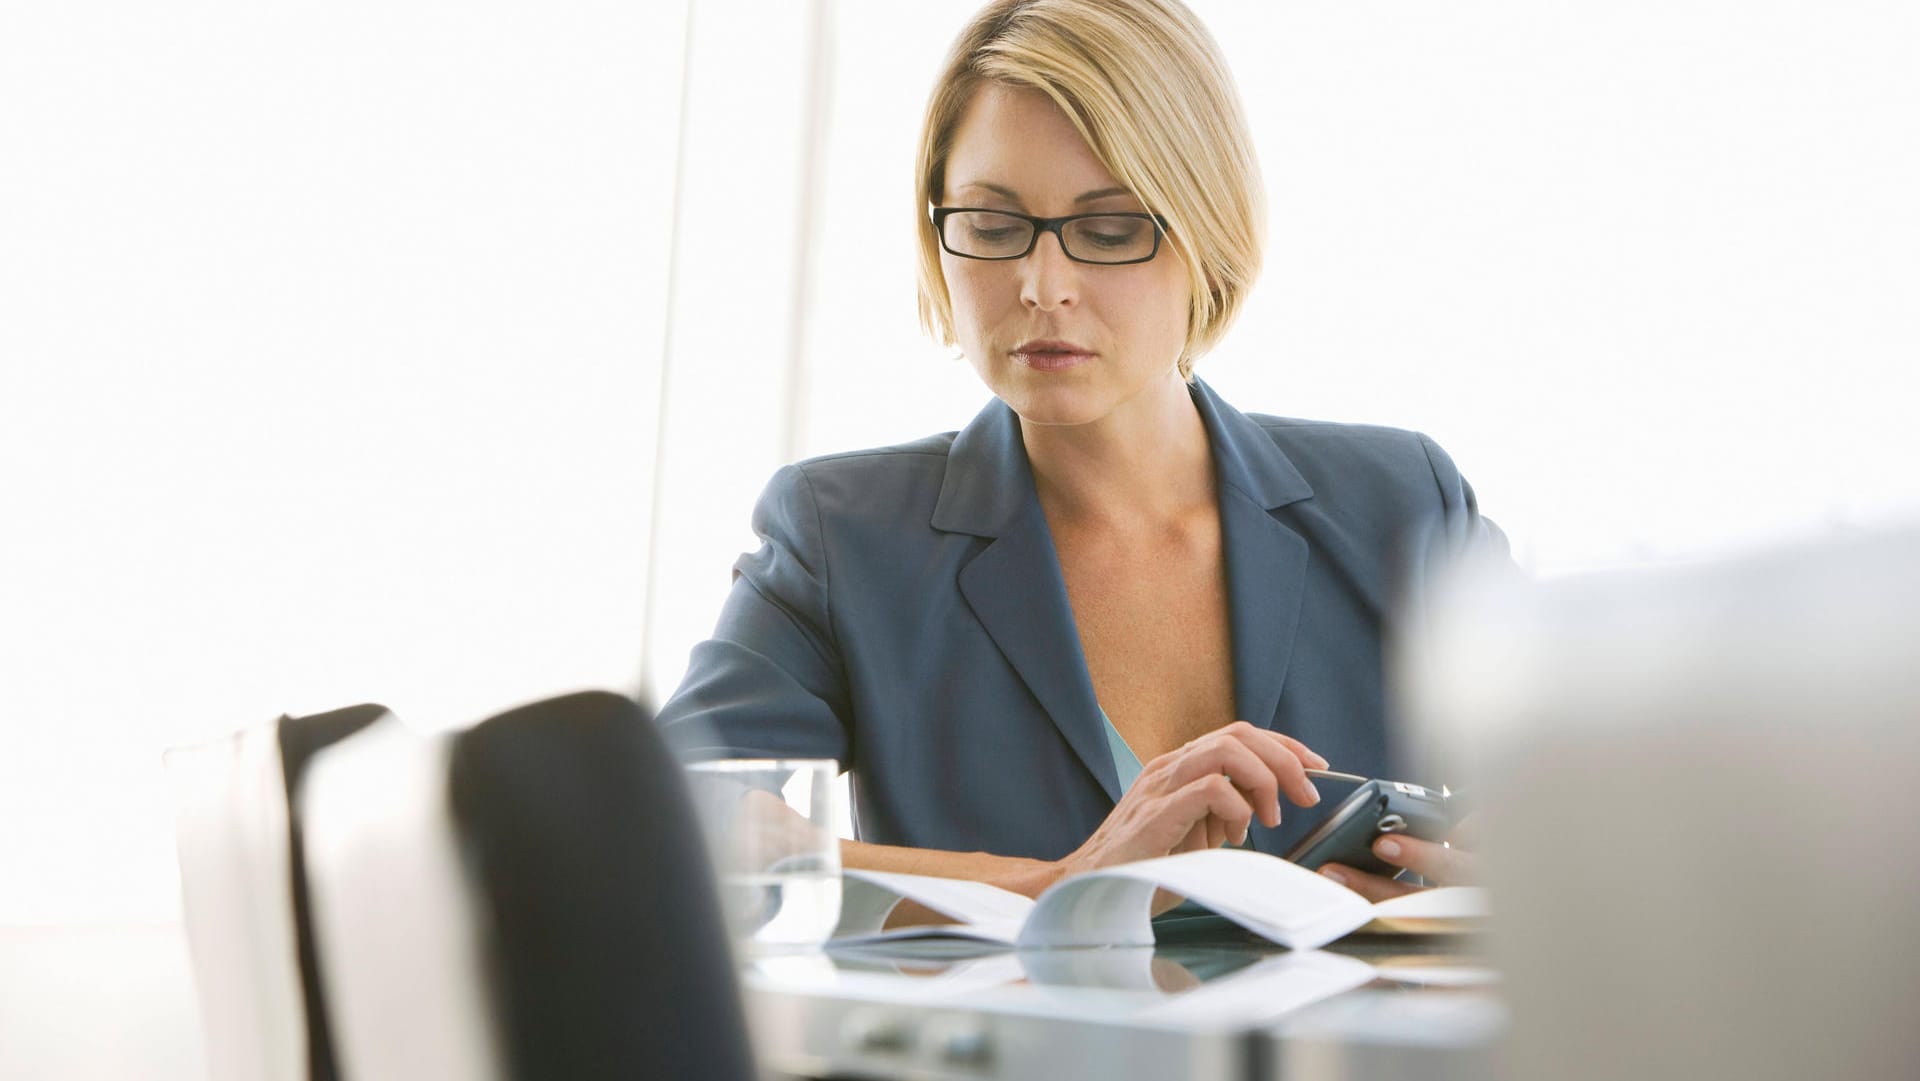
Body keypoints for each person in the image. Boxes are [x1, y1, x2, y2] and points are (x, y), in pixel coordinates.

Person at [657, 0, 1500, 905]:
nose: (1042, 288)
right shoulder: (844, 537)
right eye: (990, 223)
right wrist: (1051, 885)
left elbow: (1582, 800)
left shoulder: (1403, 506)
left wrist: (1502, 882)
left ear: (1207, 234)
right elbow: (673, 817)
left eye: (1108, 231)